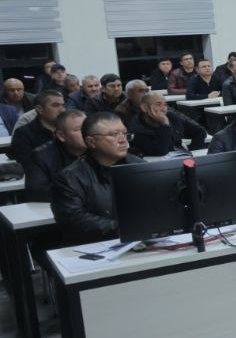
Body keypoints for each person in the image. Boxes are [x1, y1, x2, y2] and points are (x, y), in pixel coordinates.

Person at [51, 111, 143, 244]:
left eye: (124, 133)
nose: (123, 140)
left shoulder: (139, 166)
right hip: (94, 245)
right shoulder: (69, 178)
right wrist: (126, 227)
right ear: (91, 141)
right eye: (114, 134)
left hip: (139, 239)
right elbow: (74, 220)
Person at [25, 109, 86, 203]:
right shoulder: (41, 156)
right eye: (79, 129)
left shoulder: (99, 149)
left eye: (88, 127)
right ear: (61, 136)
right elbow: (38, 192)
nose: (87, 133)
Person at [128, 91, 208, 156]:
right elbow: (160, 151)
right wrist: (165, 125)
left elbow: (200, 131)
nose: (163, 109)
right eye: (158, 104)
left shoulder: (171, 116)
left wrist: (192, 152)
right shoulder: (136, 128)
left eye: (165, 105)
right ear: (144, 108)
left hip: (179, 159)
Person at [10, 89, 63, 172]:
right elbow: (27, 165)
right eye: (55, 105)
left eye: (63, 105)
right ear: (40, 109)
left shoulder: (66, 129)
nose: (62, 110)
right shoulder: (23, 134)